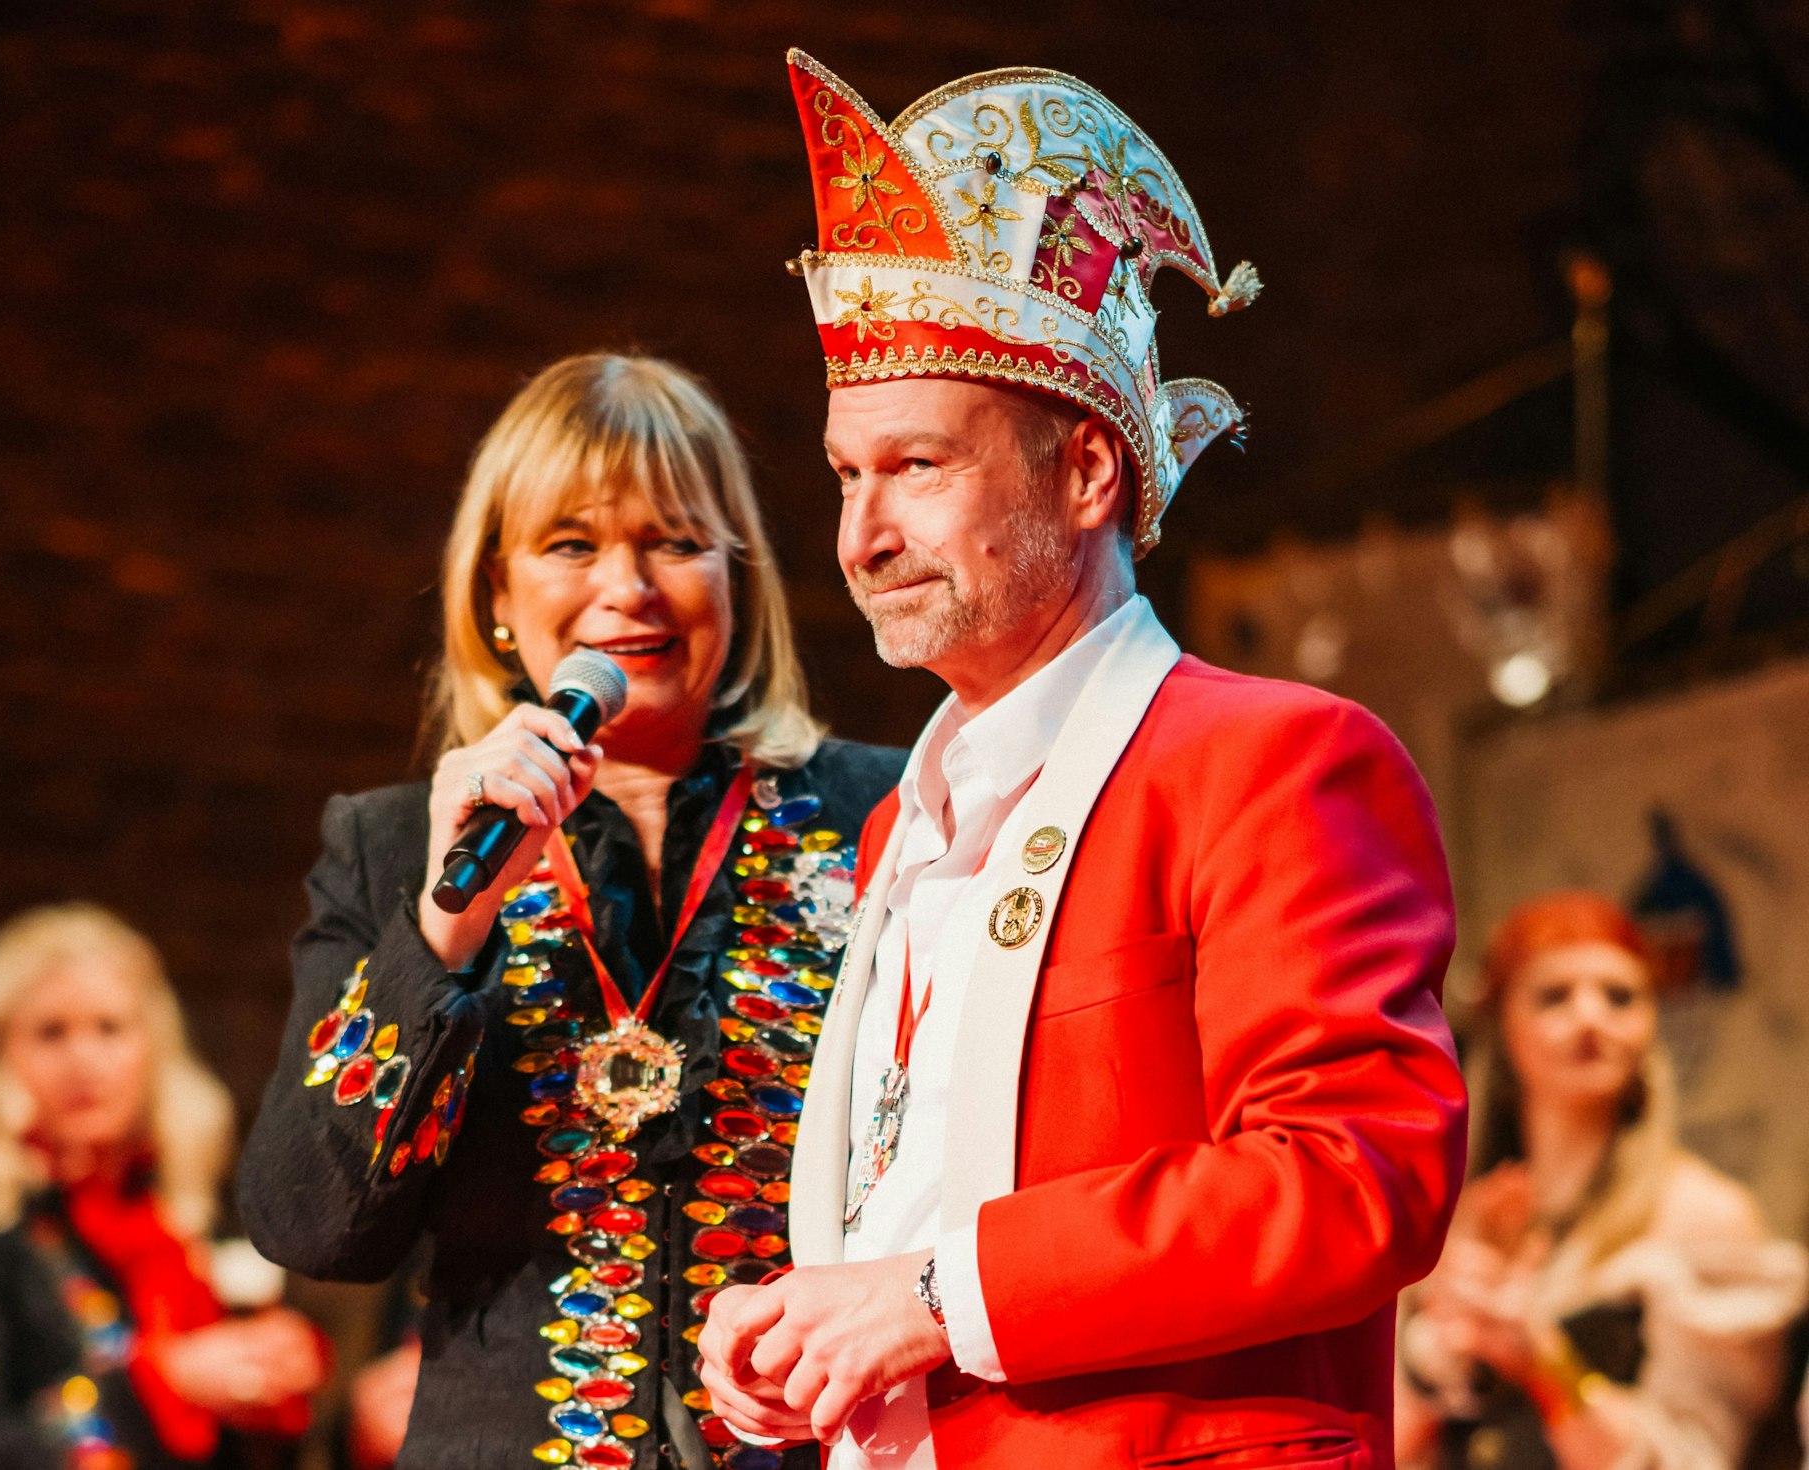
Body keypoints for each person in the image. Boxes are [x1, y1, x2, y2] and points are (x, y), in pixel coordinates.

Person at [695, 52, 1470, 1470]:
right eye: (844, 475)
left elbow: (1354, 1175)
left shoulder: (1275, 761)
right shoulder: (896, 830)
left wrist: (934, 1296)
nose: (862, 533)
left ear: (1089, 473)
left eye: (919, 466)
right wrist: (815, 1314)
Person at [235, 352, 903, 1470]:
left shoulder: (886, 810)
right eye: (572, 544)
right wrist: (449, 923)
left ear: (736, 578)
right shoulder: (395, 844)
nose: (627, 590)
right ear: (497, 593)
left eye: (674, 542)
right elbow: (309, 1225)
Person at [0, 903, 330, 1470]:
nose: (84, 1059)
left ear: (153, 1050)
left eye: (110, 1028)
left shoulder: (171, 1217)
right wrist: (159, 1386)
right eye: (51, 1033)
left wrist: (270, 1389)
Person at [1395, 892, 1806, 1470]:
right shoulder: (1462, 1215)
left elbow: (1700, 1459)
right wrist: (1438, 1350)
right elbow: (1389, 1442)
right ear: (1504, 1022)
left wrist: (1545, 1362)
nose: (1590, 1017)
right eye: (1553, 996)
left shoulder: (1703, 1215)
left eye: (1620, 996)